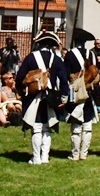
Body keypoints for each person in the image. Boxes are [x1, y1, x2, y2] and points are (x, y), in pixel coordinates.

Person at [15, 30, 68, 165]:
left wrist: (21, 91)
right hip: (51, 97)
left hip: (34, 97)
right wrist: (64, 97)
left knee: (37, 128)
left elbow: (20, 77)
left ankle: (36, 158)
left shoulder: (30, 57)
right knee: (47, 127)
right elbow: (63, 80)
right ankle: (45, 157)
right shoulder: (56, 59)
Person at [63, 28, 99, 161]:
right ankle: (84, 153)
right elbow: (95, 73)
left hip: (76, 93)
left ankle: (75, 154)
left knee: (76, 125)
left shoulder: (70, 55)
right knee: (87, 125)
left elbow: (66, 75)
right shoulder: (92, 54)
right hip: (89, 92)